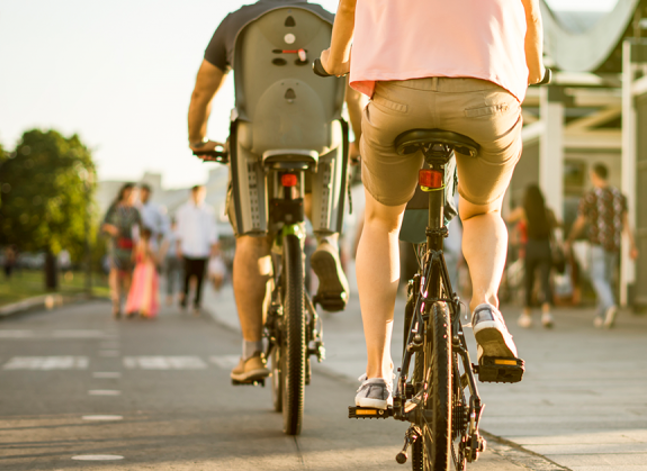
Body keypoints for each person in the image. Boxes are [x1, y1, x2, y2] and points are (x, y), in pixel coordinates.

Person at [319, 0, 546, 408]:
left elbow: (348, 13)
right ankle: (485, 305)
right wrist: (535, 68)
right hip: (488, 95)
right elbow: (530, 17)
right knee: (482, 210)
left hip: (398, 95)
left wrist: (334, 61)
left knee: (382, 221)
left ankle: (375, 376)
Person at [188, 0, 358, 383]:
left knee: (252, 239)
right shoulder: (331, 22)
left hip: (256, 141)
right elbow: (353, 94)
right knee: (335, 137)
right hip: (321, 140)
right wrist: (361, 145)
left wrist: (197, 138)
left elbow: (202, 92)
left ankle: (251, 354)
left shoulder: (236, 23)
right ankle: (327, 241)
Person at [565, 163, 639, 329]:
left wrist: (570, 237)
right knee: (605, 279)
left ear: (593, 175)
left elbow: (581, 221)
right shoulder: (619, 196)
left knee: (597, 278)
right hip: (614, 244)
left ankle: (610, 305)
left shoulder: (591, 196)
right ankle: (601, 315)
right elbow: (627, 223)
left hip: (597, 242)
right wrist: (632, 245)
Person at [507, 185, 559, 328]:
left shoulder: (524, 211)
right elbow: (556, 225)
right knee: (545, 281)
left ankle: (527, 315)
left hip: (530, 248)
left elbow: (509, 218)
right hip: (545, 248)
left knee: (528, 281)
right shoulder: (548, 212)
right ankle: (546, 314)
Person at [175, 185, 218, 316]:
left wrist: (213, 246)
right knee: (186, 276)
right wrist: (179, 246)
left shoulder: (208, 211)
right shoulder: (183, 210)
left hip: (202, 249)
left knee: (200, 277)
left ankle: (197, 303)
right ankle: (184, 298)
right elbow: (180, 229)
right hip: (188, 248)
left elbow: (212, 230)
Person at [102, 183, 142, 319]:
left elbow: (141, 230)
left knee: (128, 275)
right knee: (115, 272)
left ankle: (129, 304)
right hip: (116, 245)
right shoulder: (114, 208)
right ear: (124, 192)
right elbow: (103, 224)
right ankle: (116, 303)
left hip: (131, 247)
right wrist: (112, 229)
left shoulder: (135, 211)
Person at [125, 227, 161, 319]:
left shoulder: (144, 245)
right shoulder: (145, 245)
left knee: (141, 289)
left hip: (143, 269)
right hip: (145, 269)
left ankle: (141, 307)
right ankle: (141, 307)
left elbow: (134, 258)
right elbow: (142, 258)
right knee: (142, 289)